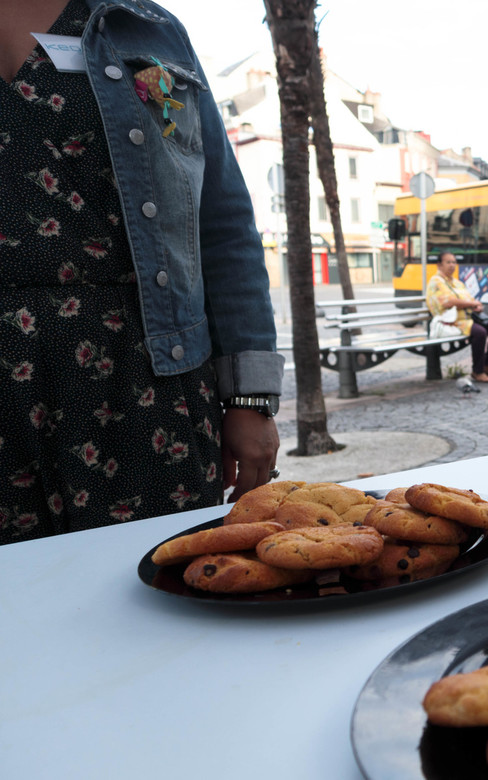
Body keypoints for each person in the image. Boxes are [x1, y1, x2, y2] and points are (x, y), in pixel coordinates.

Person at [0, 0, 283, 544]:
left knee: (159, 605)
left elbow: (219, 220)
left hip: (144, 386)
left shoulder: (142, 30)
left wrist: (249, 399)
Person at [425, 251, 488, 383]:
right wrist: (473, 303)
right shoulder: (436, 281)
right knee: (480, 333)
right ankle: (477, 371)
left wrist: (476, 306)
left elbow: (469, 299)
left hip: (468, 318)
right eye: (448, 262)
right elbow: (448, 302)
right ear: (439, 265)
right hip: (452, 321)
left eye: (454, 262)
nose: (452, 265)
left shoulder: (457, 283)